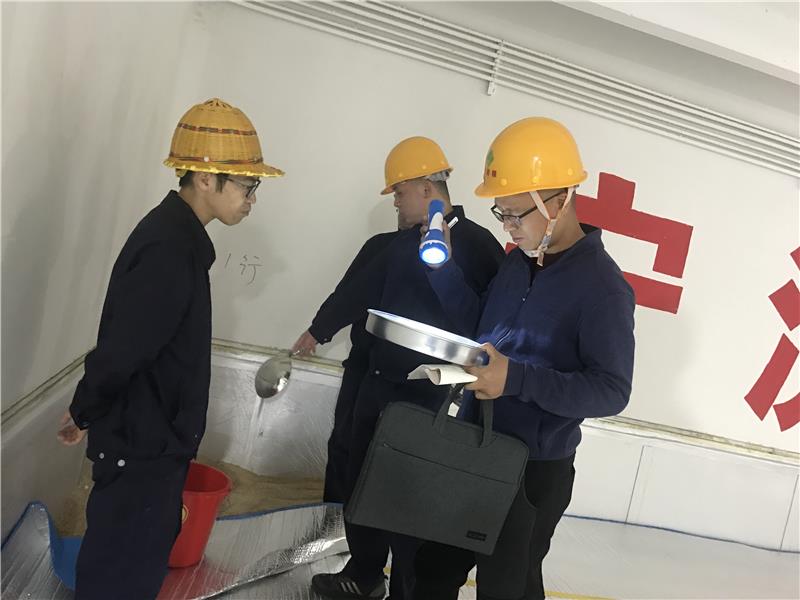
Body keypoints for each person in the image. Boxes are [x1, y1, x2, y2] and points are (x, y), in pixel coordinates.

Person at [56, 98, 284, 600]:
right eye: (246, 185)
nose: (251, 199)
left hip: (151, 441)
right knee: (121, 574)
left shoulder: (179, 240)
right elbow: (124, 350)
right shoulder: (169, 249)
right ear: (204, 178)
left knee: (131, 565)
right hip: (141, 446)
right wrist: (84, 408)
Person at [414, 117, 636, 600]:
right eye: (502, 214)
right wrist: (444, 270)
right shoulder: (518, 263)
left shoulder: (603, 288)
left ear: (560, 200)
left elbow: (611, 390)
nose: (509, 228)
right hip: (474, 443)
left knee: (507, 588)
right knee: (429, 572)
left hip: (532, 470)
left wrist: (515, 378)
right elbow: (483, 328)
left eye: (516, 214)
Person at [309, 136, 505, 600]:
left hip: (432, 395)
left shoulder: (479, 247)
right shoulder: (396, 244)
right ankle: (364, 572)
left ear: (425, 187)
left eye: (399, 192)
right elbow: (356, 293)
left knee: (411, 496)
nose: (395, 202)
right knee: (362, 480)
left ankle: (407, 588)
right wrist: (318, 331)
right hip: (377, 382)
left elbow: (489, 327)